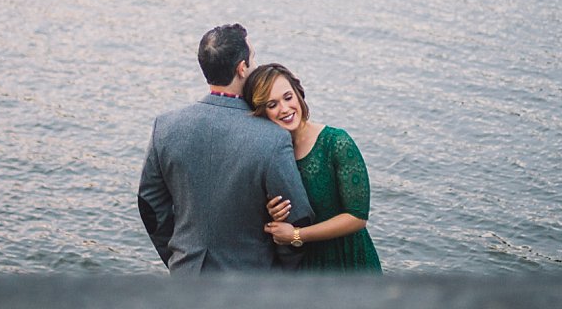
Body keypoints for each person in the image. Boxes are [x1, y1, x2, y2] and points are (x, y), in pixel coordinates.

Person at [137, 25, 314, 274]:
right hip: (252, 280)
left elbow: (150, 206)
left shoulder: (165, 127)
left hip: (187, 276)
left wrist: (179, 256)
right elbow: (298, 216)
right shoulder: (273, 137)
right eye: (252, 59)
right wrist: (282, 267)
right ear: (242, 68)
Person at [243, 63, 382, 272]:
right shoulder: (271, 156)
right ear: (262, 112)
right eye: (272, 105)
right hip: (305, 266)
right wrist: (274, 213)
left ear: (299, 95)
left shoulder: (337, 142)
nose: (285, 109)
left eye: (288, 97)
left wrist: (297, 235)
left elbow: (357, 217)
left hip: (349, 262)